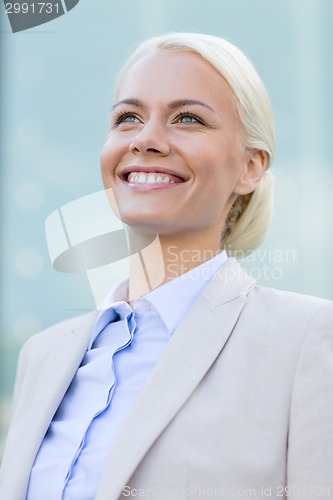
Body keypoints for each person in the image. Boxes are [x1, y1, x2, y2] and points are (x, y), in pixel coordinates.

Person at [1, 32, 332, 500]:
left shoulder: (309, 341)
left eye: (188, 118)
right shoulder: (42, 355)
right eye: (128, 118)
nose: (146, 139)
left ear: (250, 167)